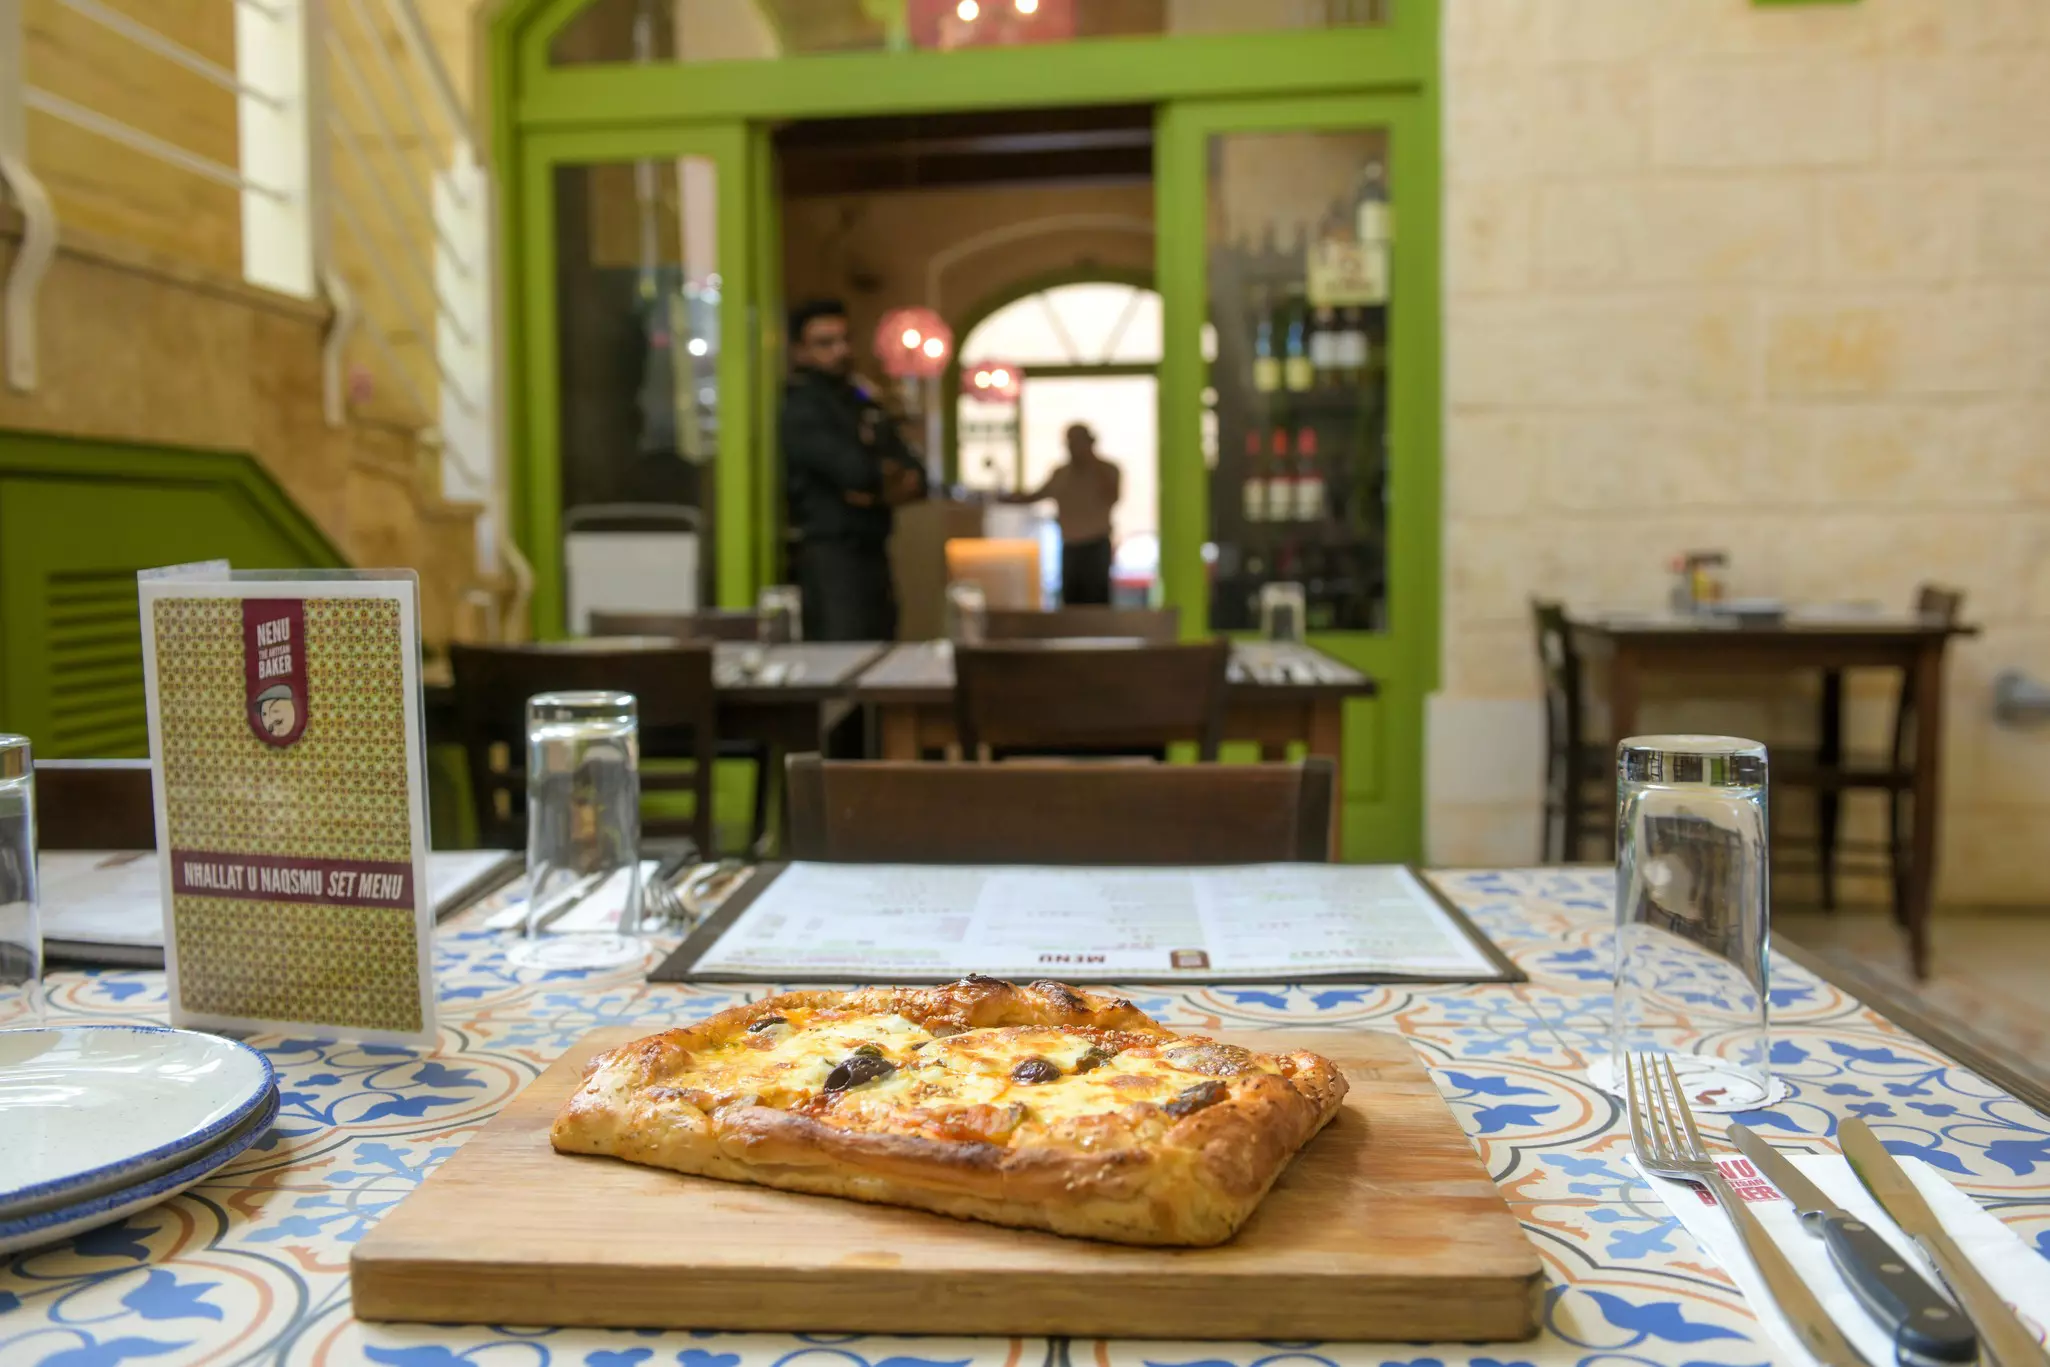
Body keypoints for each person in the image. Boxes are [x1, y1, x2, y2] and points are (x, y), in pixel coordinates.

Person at [781, 299, 928, 641]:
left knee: (881, 646)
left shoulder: (860, 401)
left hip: (874, 549)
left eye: (845, 339)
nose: (841, 351)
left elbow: (917, 474)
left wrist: (875, 488)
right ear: (801, 351)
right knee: (843, 650)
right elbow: (855, 472)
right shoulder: (801, 406)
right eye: (825, 343)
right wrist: (879, 478)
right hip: (831, 555)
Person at [1006, 423, 1121, 606]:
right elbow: (1036, 495)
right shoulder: (1061, 474)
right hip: (1070, 545)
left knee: (1097, 601)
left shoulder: (1107, 470)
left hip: (1096, 546)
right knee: (1071, 600)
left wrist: (1092, 464)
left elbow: (1113, 496)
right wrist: (1006, 499)